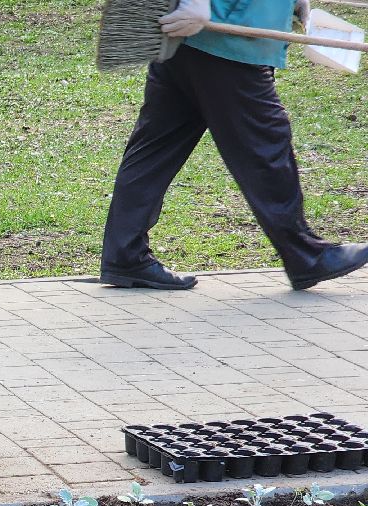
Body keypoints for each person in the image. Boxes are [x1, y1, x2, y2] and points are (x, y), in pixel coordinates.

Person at [100, 0, 368, 292]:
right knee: (266, 145)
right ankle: (306, 255)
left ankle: (125, 254)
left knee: (156, 148)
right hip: (227, 38)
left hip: (195, 38)